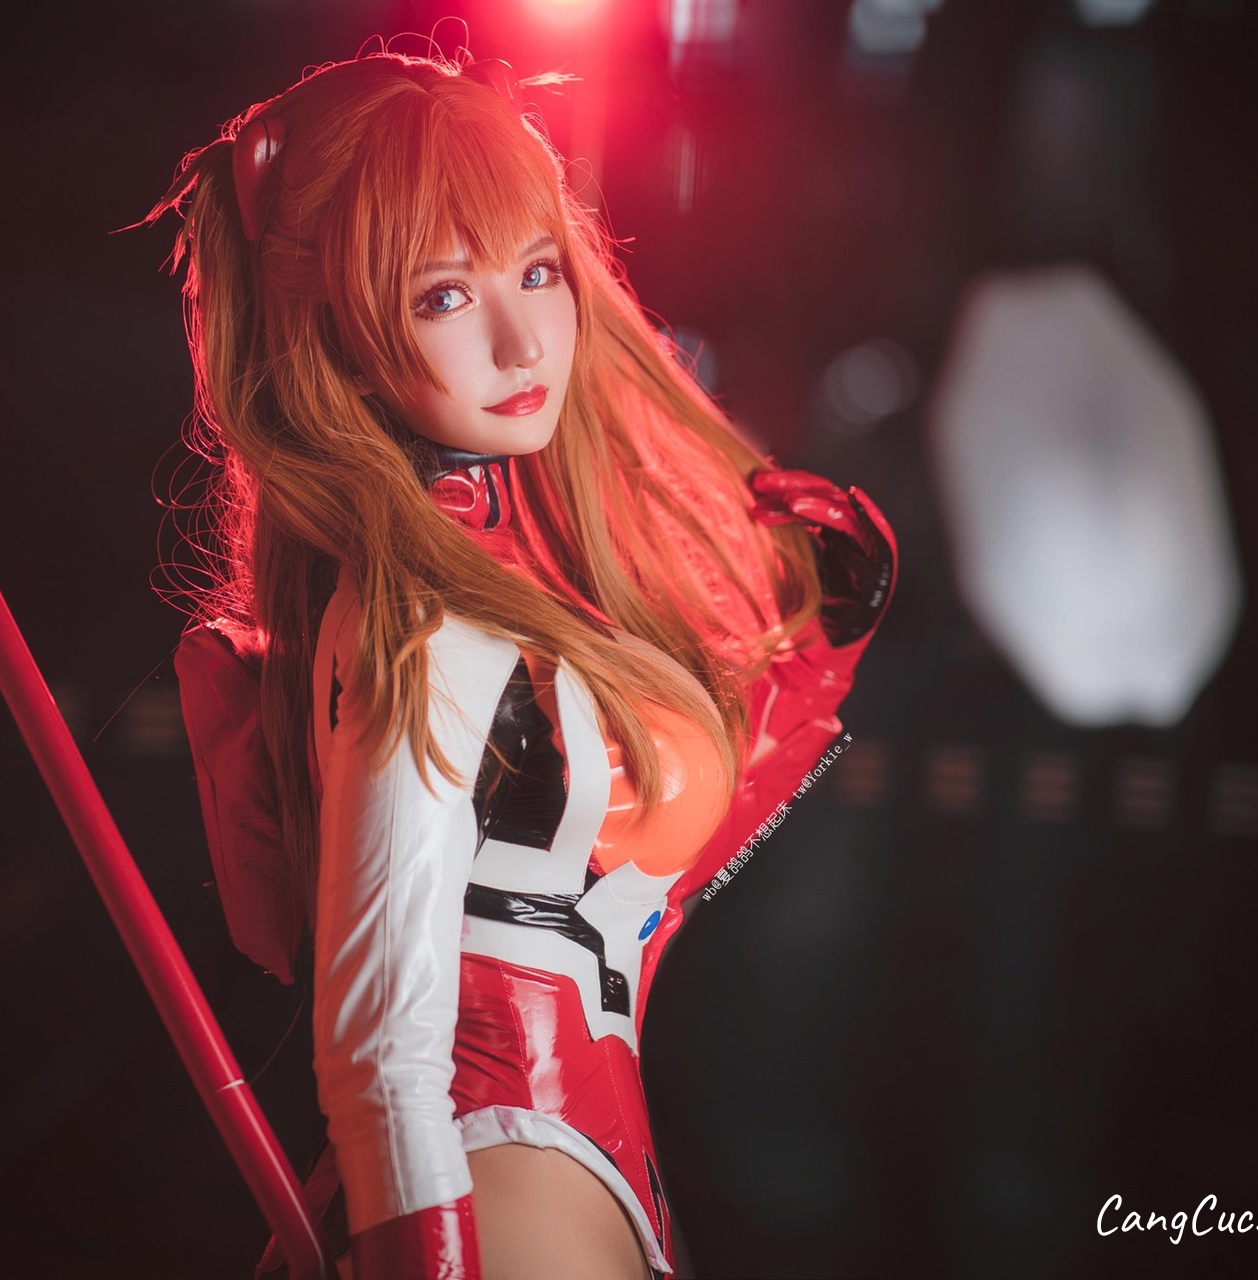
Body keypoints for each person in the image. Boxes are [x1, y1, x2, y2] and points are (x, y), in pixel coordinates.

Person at [160, 49, 895, 1280]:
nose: (519, 340)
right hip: (493, 1183)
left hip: (576, 1168)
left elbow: (633, 906)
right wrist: (426, 1256)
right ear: (338, 332)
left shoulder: (514, 592)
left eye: (538, 270)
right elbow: (382, 1051)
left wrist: (808, 678)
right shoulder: (419, 617)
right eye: (443, 295)